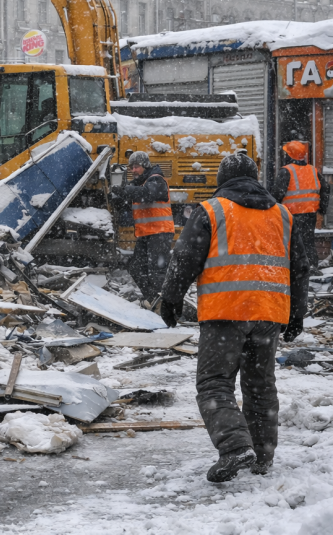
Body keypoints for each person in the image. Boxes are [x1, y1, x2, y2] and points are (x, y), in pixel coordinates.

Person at [159, 153, 309, 482]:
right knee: (260, 387)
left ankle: (235, 446)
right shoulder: (283, 215)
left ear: (222, 180)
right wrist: (297, 314)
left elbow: (185, 257)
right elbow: (299, 268)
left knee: (214, 384)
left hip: (224, 312)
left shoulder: (212, 210)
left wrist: (170, 299)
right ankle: (262, 454)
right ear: (256, 178)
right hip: (269, 314)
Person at [111, 151, 174, 308]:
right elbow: (133, 199)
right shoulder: (140, 184)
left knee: (157, 271)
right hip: (146, 234)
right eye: (131, 167)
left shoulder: (156, 180)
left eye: (136, 167)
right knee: (136, 268)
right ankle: (153, 299)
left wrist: (124, 190)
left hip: (160, 232)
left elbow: (147, 194)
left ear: (145, 166)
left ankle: (163, 306)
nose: (133, 170)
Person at [270, 141, 330, 268]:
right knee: (308, 243)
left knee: (292, 244)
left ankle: (296, 271)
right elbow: (326, 188)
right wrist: (322, 208)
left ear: (289, 155)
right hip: (310, 214)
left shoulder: (286, 171)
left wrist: (272, 210)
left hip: (291, 215)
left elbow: (277, 194)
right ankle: (311, 268)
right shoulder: (313, 170)